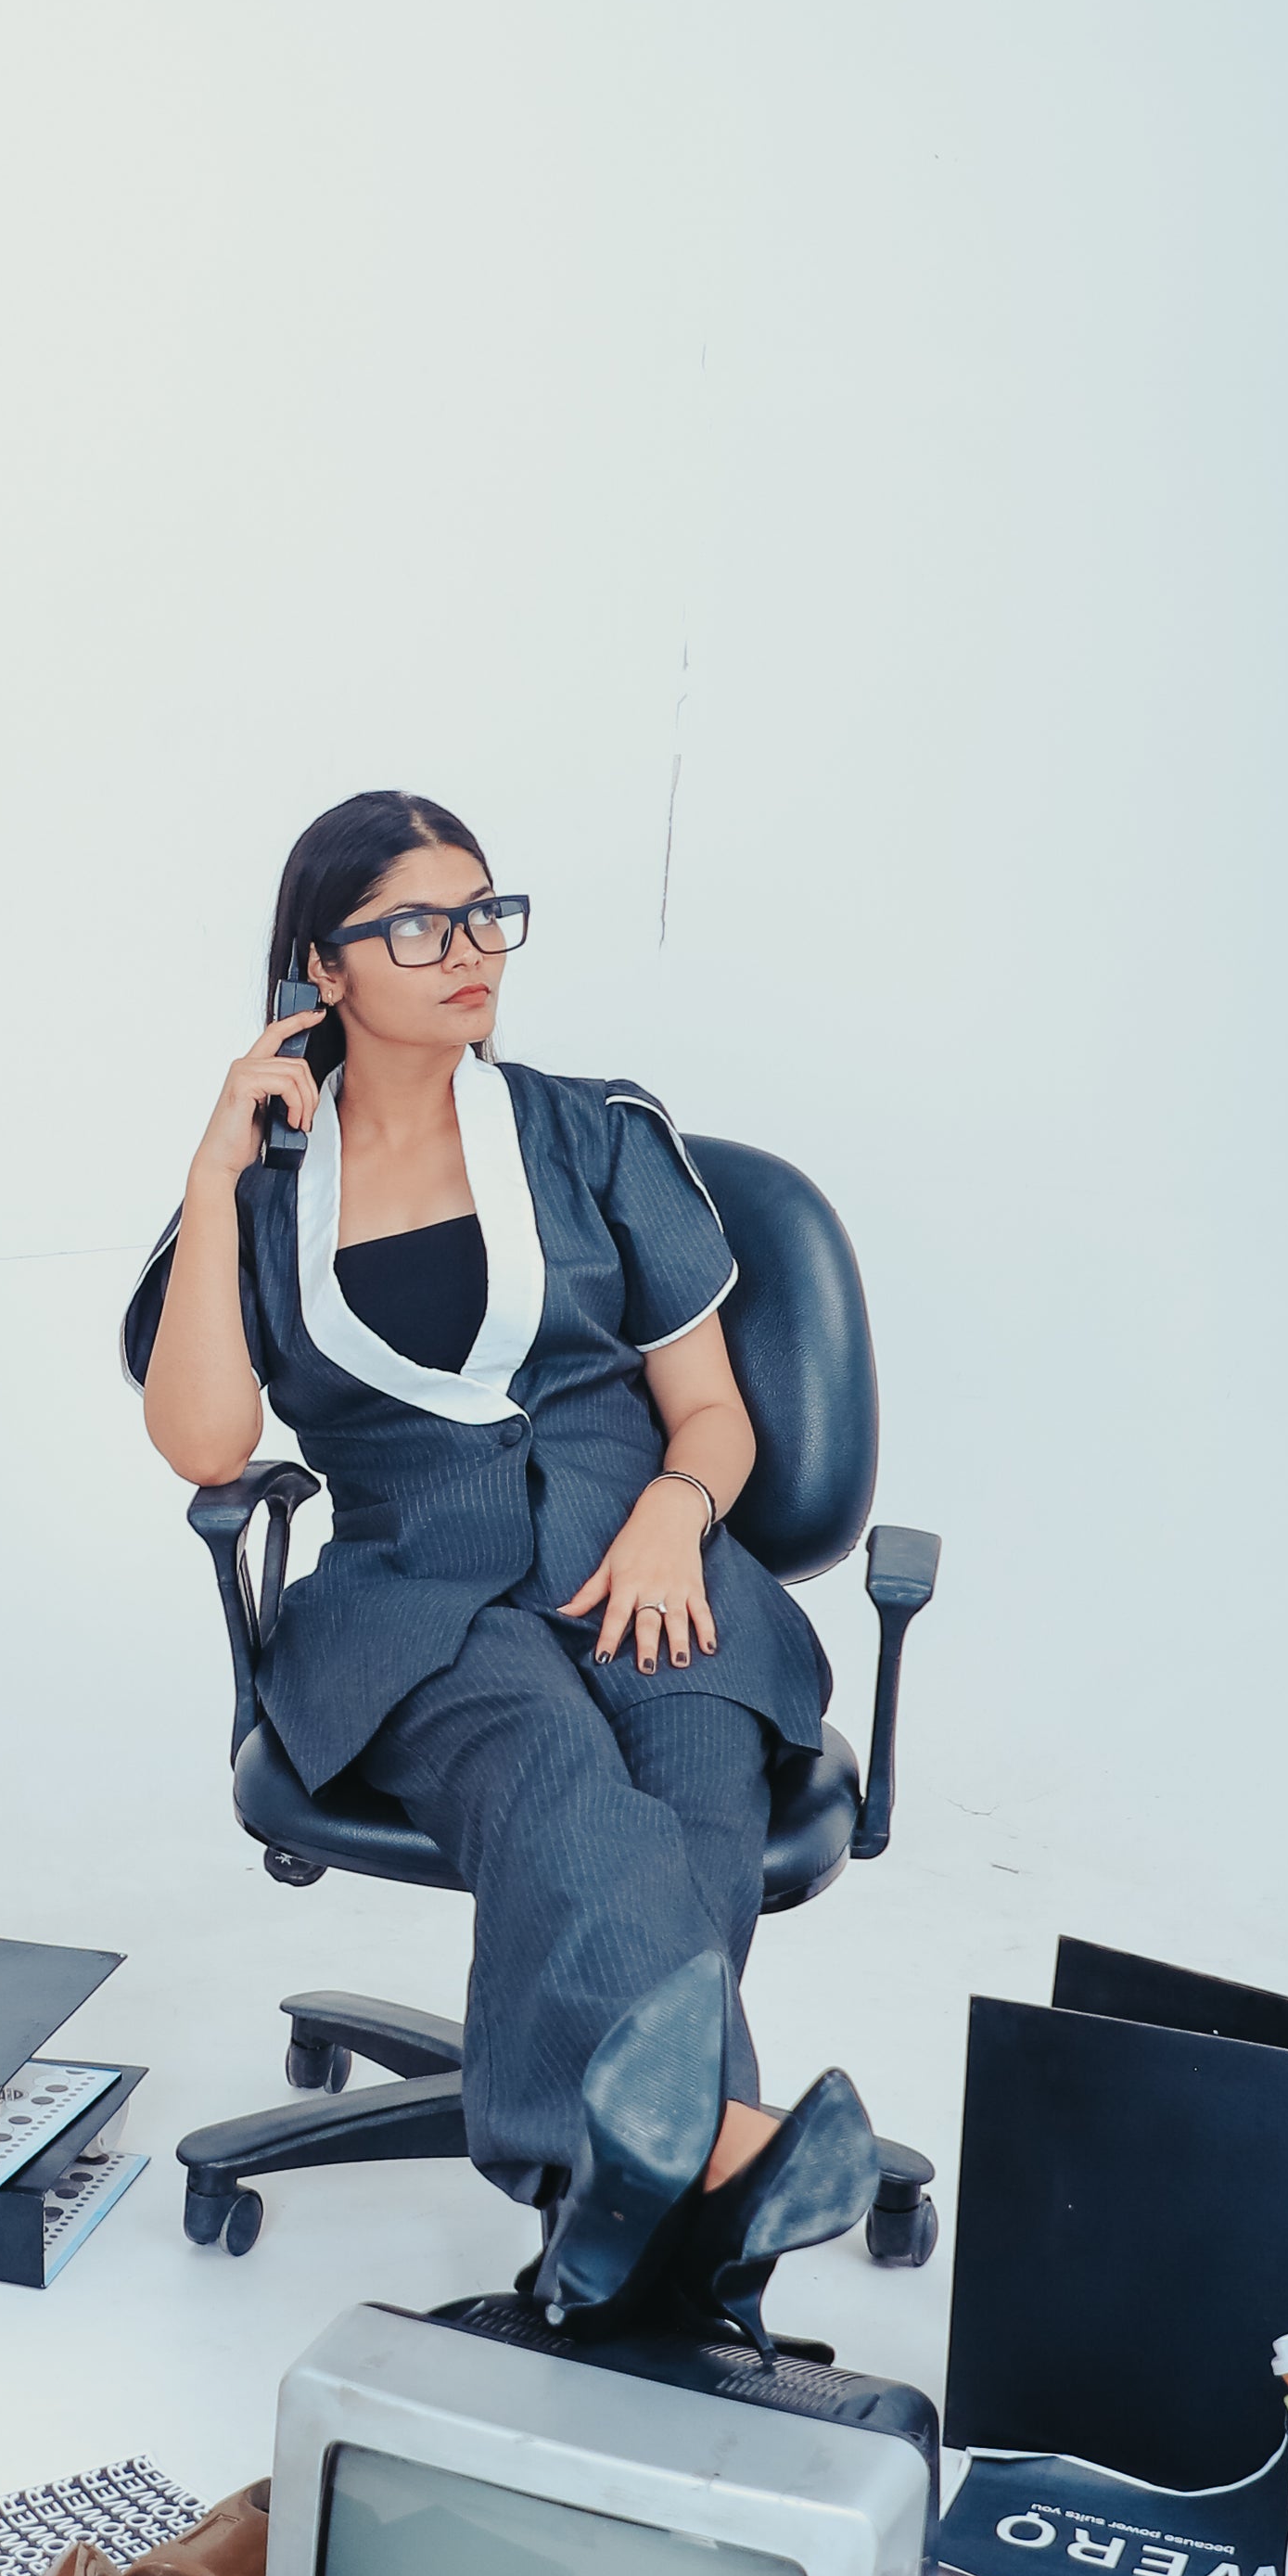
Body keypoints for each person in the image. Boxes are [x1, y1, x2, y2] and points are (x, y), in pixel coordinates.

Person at [124, 786, 879, 2325]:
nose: (469, 949)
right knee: (555, 1777)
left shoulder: (596, 1133)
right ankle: (700, 2187)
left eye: (486, 912)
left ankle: (611, 2230)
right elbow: (206, 1444)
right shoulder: (267, 1191)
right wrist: (213, 1175)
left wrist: (677, 1513)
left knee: (692, 1798)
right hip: (418, 1595)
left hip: (646, 1557)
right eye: (416, 923)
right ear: (318, 972)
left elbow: (715, 1413)